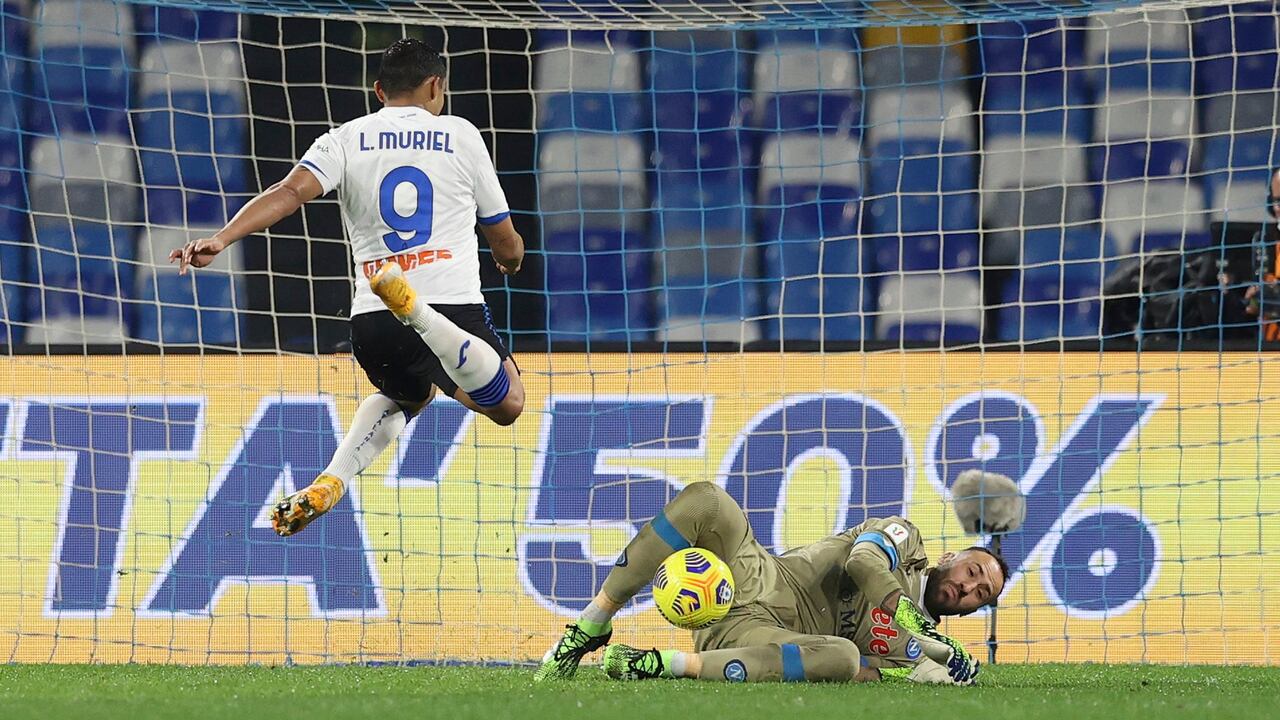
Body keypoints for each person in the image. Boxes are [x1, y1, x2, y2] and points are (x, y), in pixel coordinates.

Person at [170, 38, 526, 537]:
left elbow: (289, 192)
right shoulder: (460, 134)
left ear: (379, 90)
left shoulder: (344, 138)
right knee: (508, 403)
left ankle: (332, 480)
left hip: (372, 319)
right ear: (436, 86)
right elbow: (504, 240)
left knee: (408, 395)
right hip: (448, 304)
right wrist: (511, 260)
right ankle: (418, 312)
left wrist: (222, 238)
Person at [535, 482, 1006, 685]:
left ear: (973, 610)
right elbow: (863, 562)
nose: (969, 588)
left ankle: (660, 665)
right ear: (950, 558)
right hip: (760, 578)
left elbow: (859, 671)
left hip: (756, 639)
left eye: (981, 594)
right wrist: (920, 630)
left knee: (842, 657)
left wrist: (923, 667)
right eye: (972, 572)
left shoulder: (918, 651)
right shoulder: (906, 538)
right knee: (708, 501)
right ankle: (590, 625)